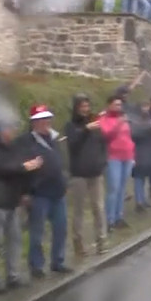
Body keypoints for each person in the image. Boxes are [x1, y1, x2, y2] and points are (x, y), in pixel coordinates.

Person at [0, 118, 42, 293]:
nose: (12, 132)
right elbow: (1, 168)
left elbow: (20, 171)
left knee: (14, 239)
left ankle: (13, 275)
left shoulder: (15, 148)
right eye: (9, 129)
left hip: (13, 201)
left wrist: (25, 191)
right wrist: (23, 166)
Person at [18, 105, 70, 278]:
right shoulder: (26, 141)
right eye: (41, 119)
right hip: (39, 193)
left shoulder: (54, 138)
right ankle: (36, 265)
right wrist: (24, 192)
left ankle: (58, 261)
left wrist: (65, 181)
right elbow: (21, 168)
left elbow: (61, 161)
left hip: (58, 191)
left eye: (47, 118)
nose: (46, 122)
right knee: (37, 232)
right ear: (34, 122)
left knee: (61, 228)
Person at [64, 93, 108, 257]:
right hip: (79, 175)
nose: (85, 109)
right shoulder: (71, 126)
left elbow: (102, 144)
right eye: (82, 106)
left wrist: (102, 161)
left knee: (99, 208)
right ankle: (78, 243)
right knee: (79, 210)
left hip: (96, 173)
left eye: (87, 106)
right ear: (76, 108)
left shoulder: (95, 123)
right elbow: (73, 145)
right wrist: (85, 130)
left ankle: (102, 241)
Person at [99, 95, 135, 230]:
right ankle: (110, 219)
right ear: (109, 105)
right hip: (113, 157)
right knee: (113, 188)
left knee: (122, 188)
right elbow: (106, 135)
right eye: (116, 105)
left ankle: (119, 217)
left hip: (127, 156)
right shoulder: (104, 119)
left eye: (120, 105)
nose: (119, 107)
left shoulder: (124, 119)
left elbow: (128, 137)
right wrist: (118, 124)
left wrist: (133, 155)